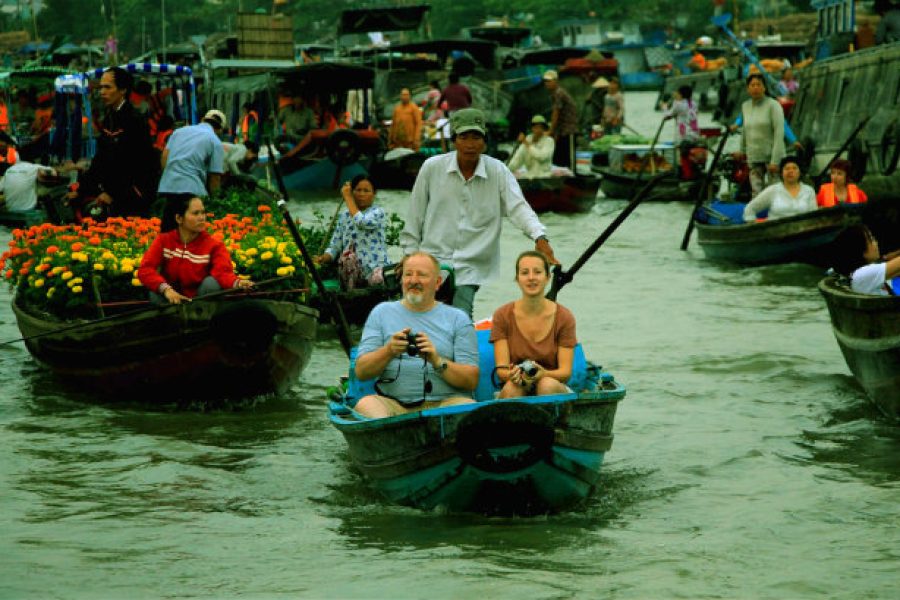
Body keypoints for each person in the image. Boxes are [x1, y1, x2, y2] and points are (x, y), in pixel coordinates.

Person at [400, 108, 559, 319]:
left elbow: (519, 208)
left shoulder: (498, 171)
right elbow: (415, 215)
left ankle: (461, 347)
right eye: (463, 137)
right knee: (420, 314)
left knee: (461, 315)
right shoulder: (432, 168)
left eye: (476, 137)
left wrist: (540, 237)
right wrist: (410, 257)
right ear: (454, 140)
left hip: (472, 263)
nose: (470, 144)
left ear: (484, 142)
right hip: (432, 259)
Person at [352, 252, 479, 419]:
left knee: (469, 408)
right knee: (365, 404)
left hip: (445, 405)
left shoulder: (458, 318)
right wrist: (389, 351)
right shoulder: (381, 313)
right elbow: (361, 372)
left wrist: (436, 360)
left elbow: (471, 380)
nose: (413, 281)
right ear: (401, 279)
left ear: (437, 283)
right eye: (408, 274)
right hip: (393, 404)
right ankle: (390, 438)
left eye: (422, 275)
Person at [71, 67, 157, 217]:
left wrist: (114, 193)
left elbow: (137, 165)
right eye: (101, 87)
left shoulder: (134, 120)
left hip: (132, 200)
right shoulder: (109, 118)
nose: (102, 92)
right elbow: (100, 160)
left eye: (107, 87)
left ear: (123, 90)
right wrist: (80, 190)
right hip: (112, 196)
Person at [137, 194, 254, 305]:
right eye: (195, 213)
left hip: (200, 299)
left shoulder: (214, 245)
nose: (201, 217)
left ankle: (201, 320)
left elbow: (222, 273)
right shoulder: (164, 240)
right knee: (155, 291)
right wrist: (166, 290)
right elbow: (145, 270)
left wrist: (238, 283)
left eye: (203, 212)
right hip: (171, 297)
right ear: (179, 218)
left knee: (211, 283)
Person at [491, 250, 576, 398]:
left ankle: (555, 420)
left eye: (537, 272)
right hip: (516, 384)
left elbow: (565, 372)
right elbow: (501, 370)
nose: (531, 278)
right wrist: (512, 375)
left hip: (553, 384)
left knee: (546, 385)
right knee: (513, 388)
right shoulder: (502, 315)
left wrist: (544, 374)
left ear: (547, 277)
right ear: (517, 278)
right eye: (525, 273)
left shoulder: (564, 317)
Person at [314, 175, 390, 290]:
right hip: (351, 275)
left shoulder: (378, 212)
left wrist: (348, 197)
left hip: (375, 272)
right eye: (358, 190)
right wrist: (322, 258)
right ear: (353, 191)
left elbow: (362, 222)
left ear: (374, 194)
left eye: (366, 191)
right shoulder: (344, 216)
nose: (362, 194)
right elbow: (335, 246)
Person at [735, 73, 785, 199]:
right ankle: (758, 217)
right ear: (748, 89)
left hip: (771, 156)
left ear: (764, 88)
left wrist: (775, 160)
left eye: (759, 85)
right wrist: (742, 150)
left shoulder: (773, 105)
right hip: (754, 156)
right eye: (752, 85)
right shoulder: (745, 106)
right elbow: (745, 130)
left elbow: (779, 133)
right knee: (757, 193)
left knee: (776, 191)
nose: (755, 88)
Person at [157, 109, 226, 199]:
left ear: (202, 120)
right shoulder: (215, 141)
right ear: (220, 130)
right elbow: (215, 178)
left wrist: (168, 180)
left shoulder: (178, 132)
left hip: (166, 188)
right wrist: (216, 202)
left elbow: (164, 158)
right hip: (192, 191)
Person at [743, 155, 816, 222]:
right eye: (787, 169)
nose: (790, 171)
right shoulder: (773, 190)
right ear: (781, 173)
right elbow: (749, 209)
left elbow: (813, 217)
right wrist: (754, 225)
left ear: (800, 172)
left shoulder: (809, 191)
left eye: (794, 168)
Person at [832, 225, 900, 295]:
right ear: (861, 250)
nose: (876, 243)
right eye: (871, 239)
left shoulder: (857, 274)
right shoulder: (862, 274)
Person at [542, 69, 579, 172]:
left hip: (569, 130)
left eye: (549, 81)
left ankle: (572, 176)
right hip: (562, 131)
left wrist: (551, 131)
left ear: (556, 81)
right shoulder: (554, 94)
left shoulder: (559, 93)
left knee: (569, 159)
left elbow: (556, 113)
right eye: (545, 81)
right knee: (559, 157)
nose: (547, 83)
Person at [507, 114, 555, 179]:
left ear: (543, 129)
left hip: (544, 176)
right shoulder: (528, 139)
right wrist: (506, 168)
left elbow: (541, 157)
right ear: (532, 128)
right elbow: (518, 159)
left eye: (540, 127)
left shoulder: (549, 141)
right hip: (529, 176)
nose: (538, 130)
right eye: (535, 127)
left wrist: (527, 144)